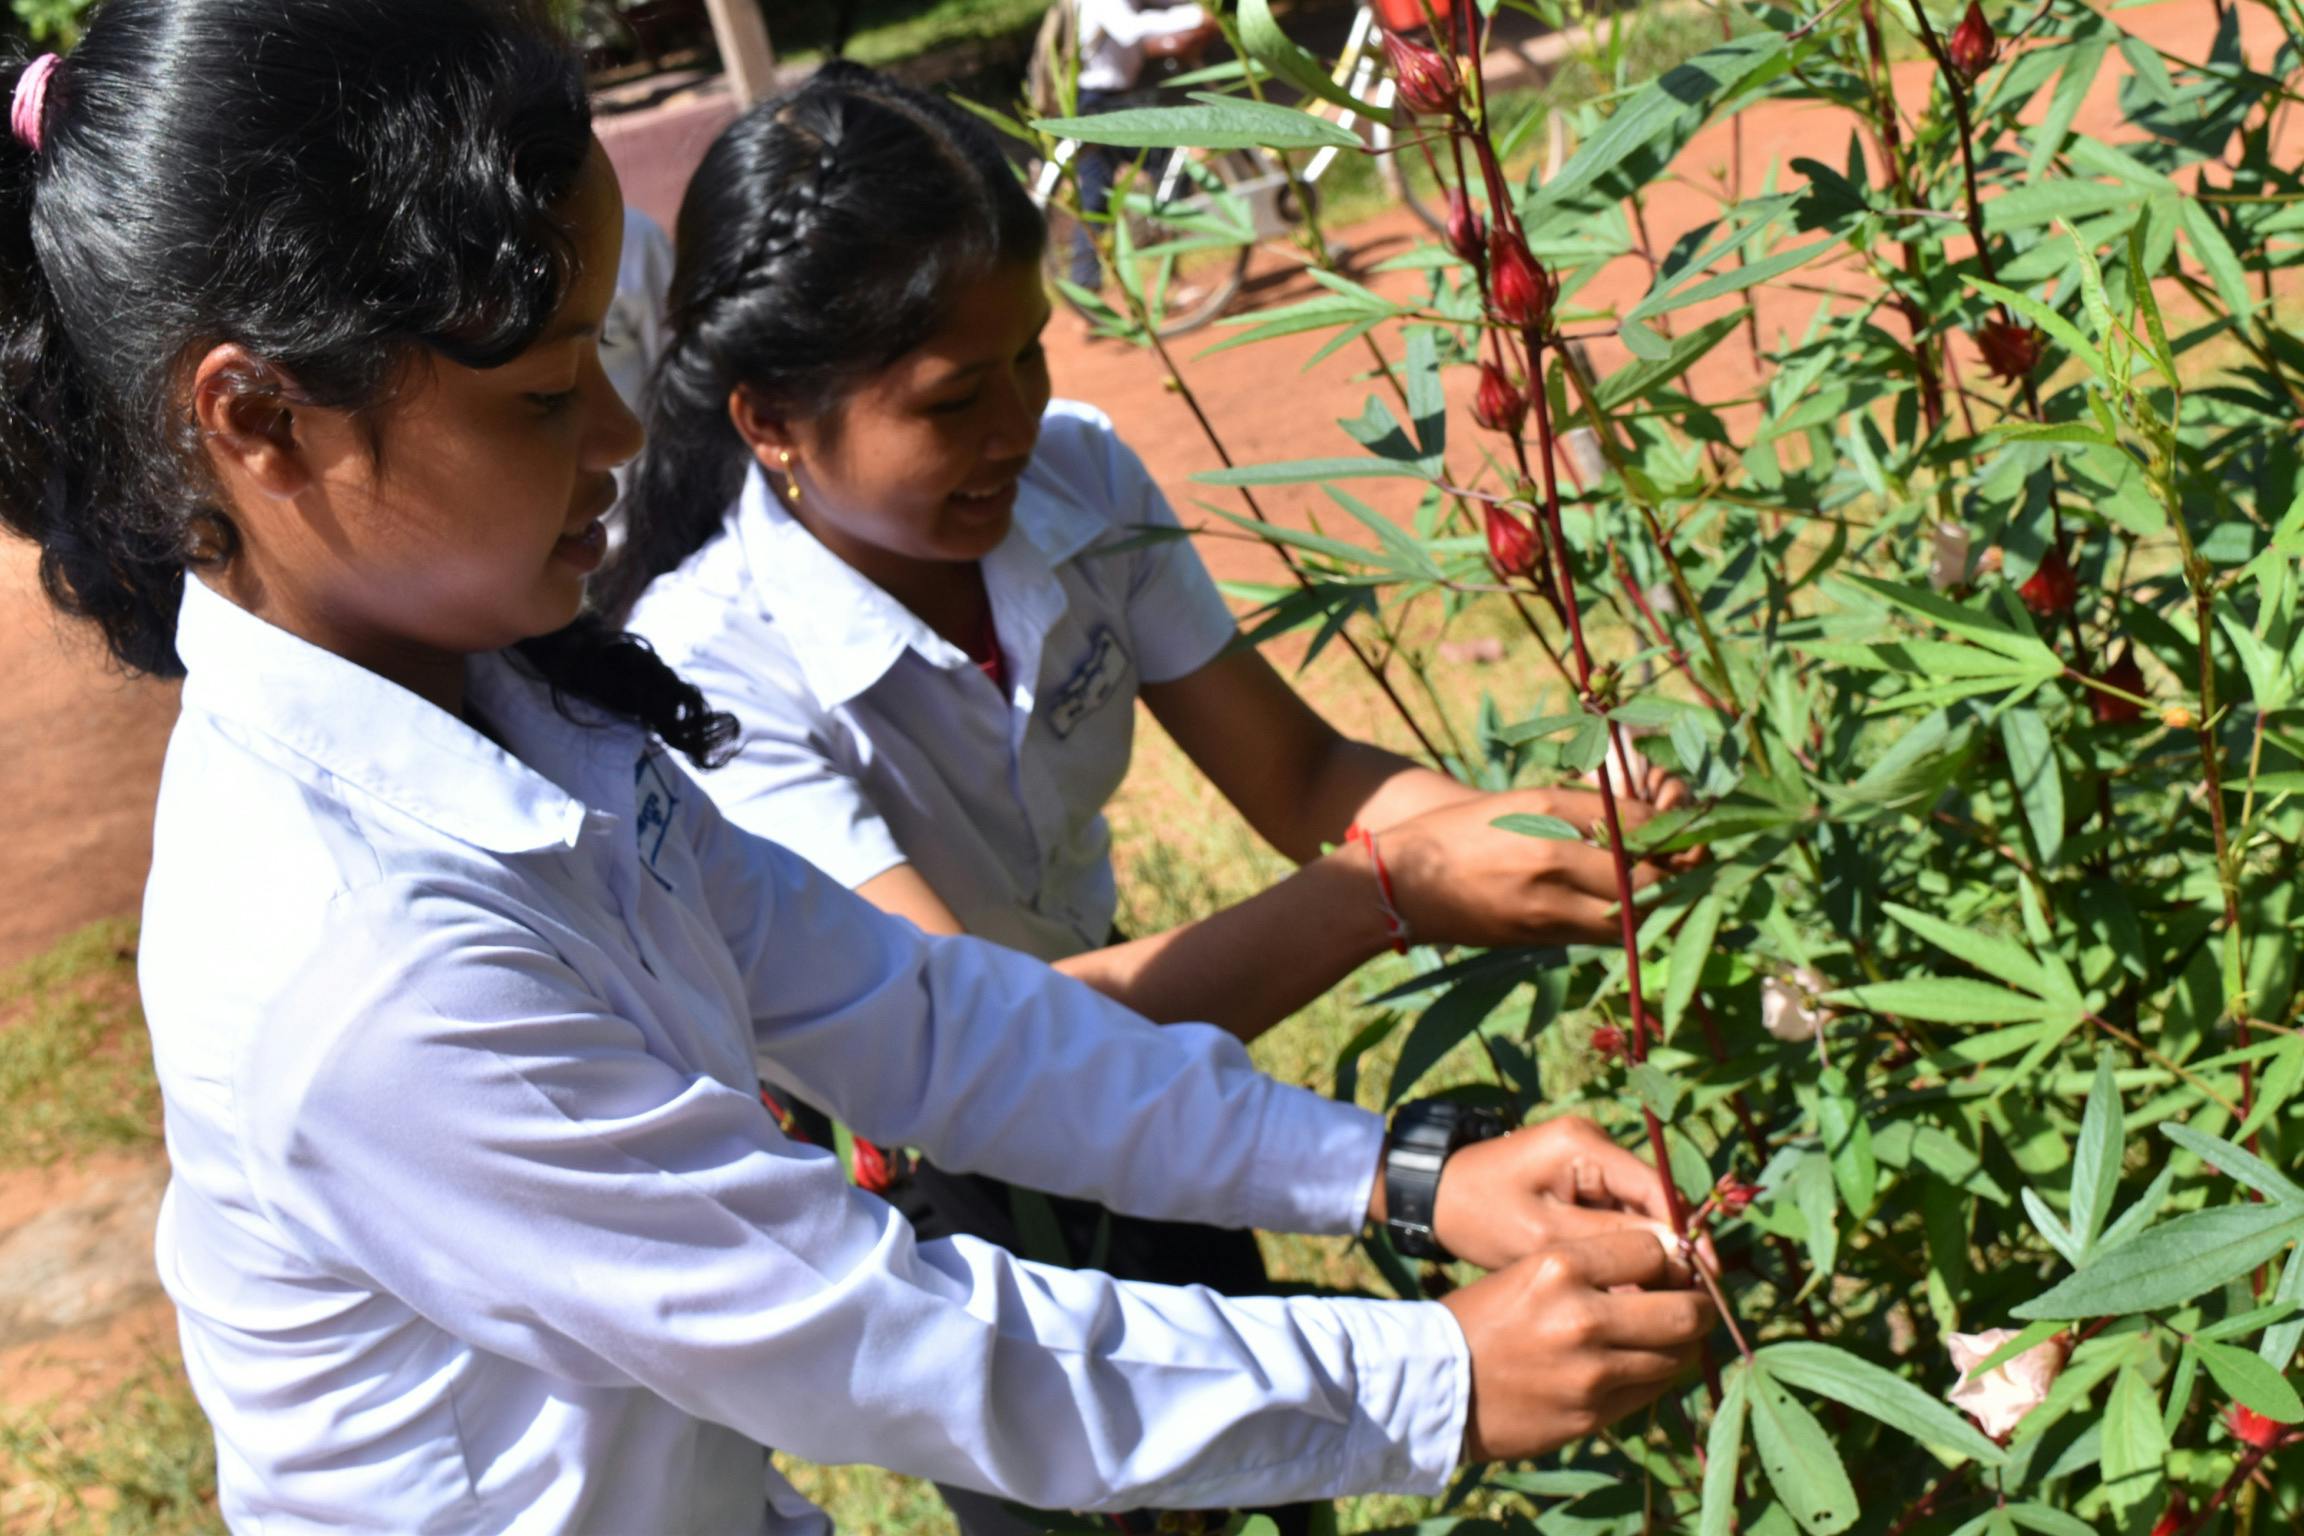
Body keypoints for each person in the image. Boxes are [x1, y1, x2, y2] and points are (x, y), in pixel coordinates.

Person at [0, 5, 1715, 1532]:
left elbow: (921, 1017)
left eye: (605, 361)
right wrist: (1432, 1377)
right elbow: (878, 1337)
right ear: (260, 419)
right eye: (542, 397)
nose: (618, 437)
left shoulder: (519, 710)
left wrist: (1388, 1171)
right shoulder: (365, 972)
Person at [607, 66, 1699, 1531]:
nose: (1016, 423)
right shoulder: (705, 669)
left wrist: (1536, 829)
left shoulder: (1077, 480)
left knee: (1272, 1482)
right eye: (952, 399)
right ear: (771, 423)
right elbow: (971, 1045)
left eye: (1029, 358)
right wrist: (1386, 894)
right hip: (942, 1175)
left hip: (1163, 1087)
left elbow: (1304, 777)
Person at [1065, 0, 1222, 288]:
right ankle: (1162, 232)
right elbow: (1130, 29)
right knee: (1172, 154)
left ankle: (1087, 283)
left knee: (1096, 191)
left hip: (1106, 100)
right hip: (1097, 104)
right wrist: (1196, 14)